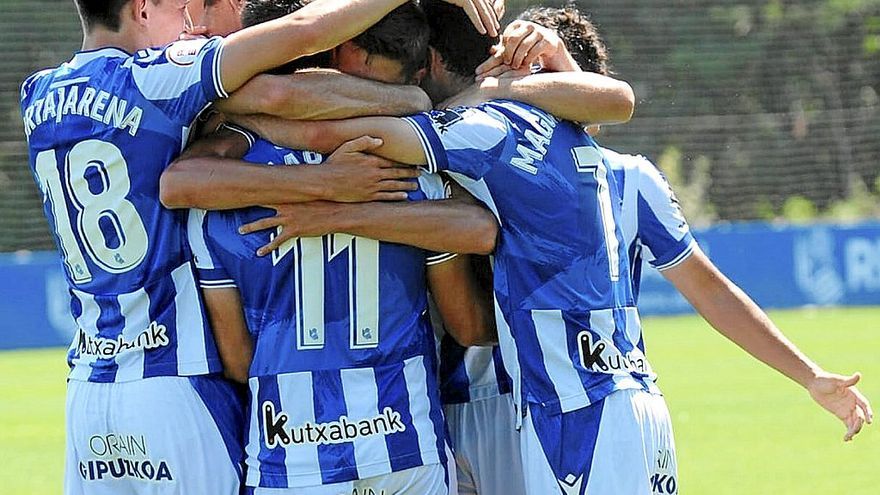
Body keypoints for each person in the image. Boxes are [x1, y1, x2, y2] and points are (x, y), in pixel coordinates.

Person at [20, 0, 500, 493]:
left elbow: (265, 100)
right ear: (142, 9)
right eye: (179, 9)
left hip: (90, 388)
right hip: (180, 381)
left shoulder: (36, 93)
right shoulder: (157, 78)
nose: (190, 26)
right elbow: (299, 39)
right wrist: (403, 110)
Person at [223, 1, 678, 493]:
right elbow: (615, 104)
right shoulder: (492, 128)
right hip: (537, 396)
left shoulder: (467, 130)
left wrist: (240, 119)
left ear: (430, 61)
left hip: (527, 398)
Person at [514, 3, 872, 443]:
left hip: (597, 415)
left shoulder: (631, 180)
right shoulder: (477, 161)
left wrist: (810, 376)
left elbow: (711, 291)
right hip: (479, 412)